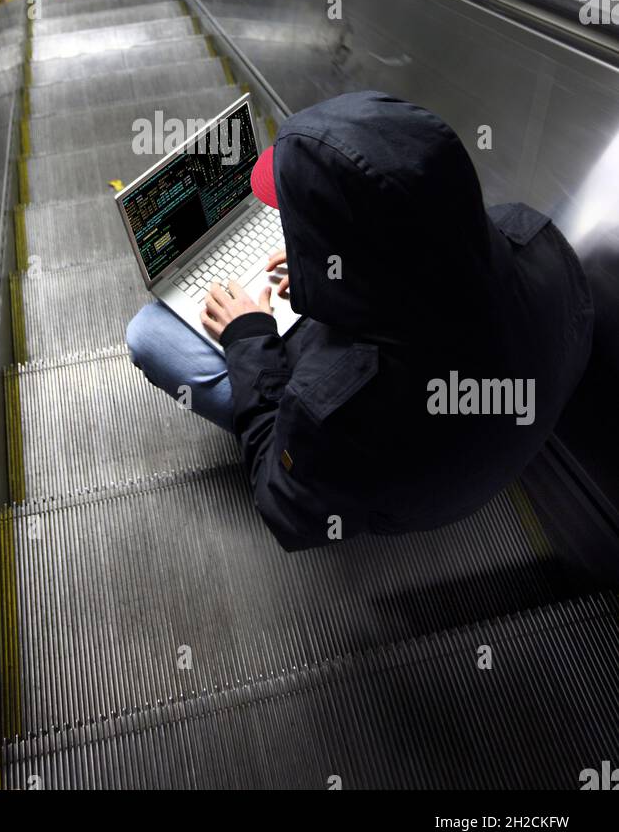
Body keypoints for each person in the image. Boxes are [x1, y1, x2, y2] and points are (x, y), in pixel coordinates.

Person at [126, 91, 594, 551]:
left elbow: (285, 513)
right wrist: (328, 258)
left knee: (150, 333)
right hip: (493, 438)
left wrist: (249, 337)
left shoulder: (331, 403)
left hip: (404, 495)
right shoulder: (533, 235)